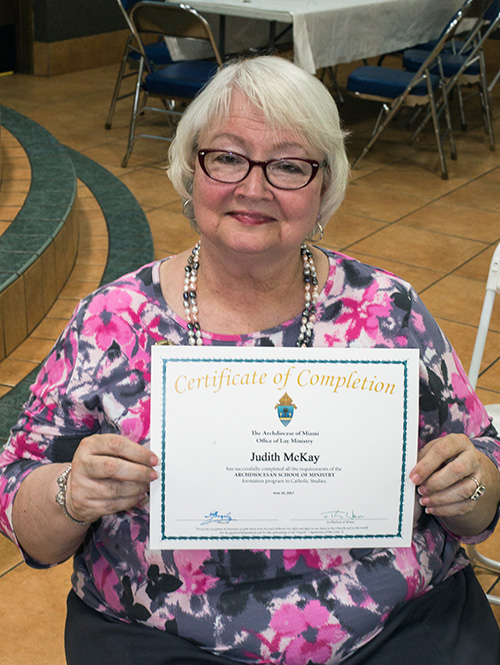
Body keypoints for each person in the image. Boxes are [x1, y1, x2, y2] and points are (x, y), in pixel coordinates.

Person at [0, 55, 499, 665]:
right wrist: (72, 494)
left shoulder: (387, 308)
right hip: (164, 638)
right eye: (229, 157)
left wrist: (468, 486)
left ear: (325, 188)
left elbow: (482, 476)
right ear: (191, 171)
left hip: (399, 628)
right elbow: (24, 508)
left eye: (289, 165)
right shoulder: (113, 320)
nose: (254, 188)